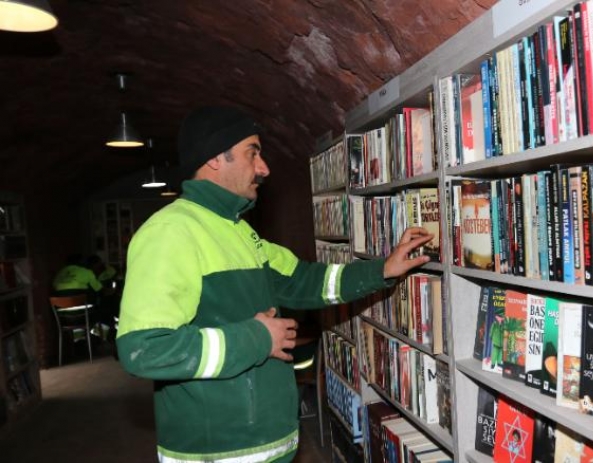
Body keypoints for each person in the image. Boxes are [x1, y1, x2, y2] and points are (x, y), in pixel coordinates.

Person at [116, 105, 433, 463]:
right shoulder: (169, 232)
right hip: (219, 452)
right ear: (216, 158)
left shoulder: (237, 230)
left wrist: (382, 270)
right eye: (253, 152)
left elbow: (305, 281)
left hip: (264, 446)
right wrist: (257, 338)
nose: (264, 168)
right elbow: (144, 350)